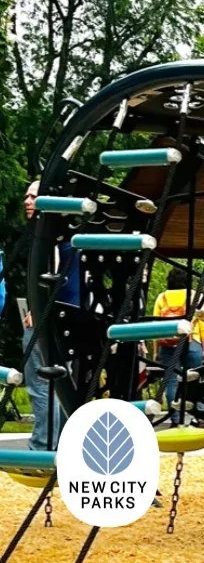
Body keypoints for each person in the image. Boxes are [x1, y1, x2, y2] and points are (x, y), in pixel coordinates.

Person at [21, 179, 80, 451]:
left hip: (48, 321)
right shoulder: (74, 240)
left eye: (34, 196)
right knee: (63, 386)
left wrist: (38, 309)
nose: (27, 201)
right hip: (71, 321)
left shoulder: (50, 243)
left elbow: (54, 280)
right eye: (27, 196)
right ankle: (62, 444)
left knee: (42, 385)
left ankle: (43, 446)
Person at [153, 267, 204, 424]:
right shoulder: (194, 295)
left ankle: (176, 419)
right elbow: (203, 324)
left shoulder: (162, 297)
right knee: (196, 381)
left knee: (171, 382)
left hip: (168, 345)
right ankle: (199, 418)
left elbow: (155, 324)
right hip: (192, 342)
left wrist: (156, 350)